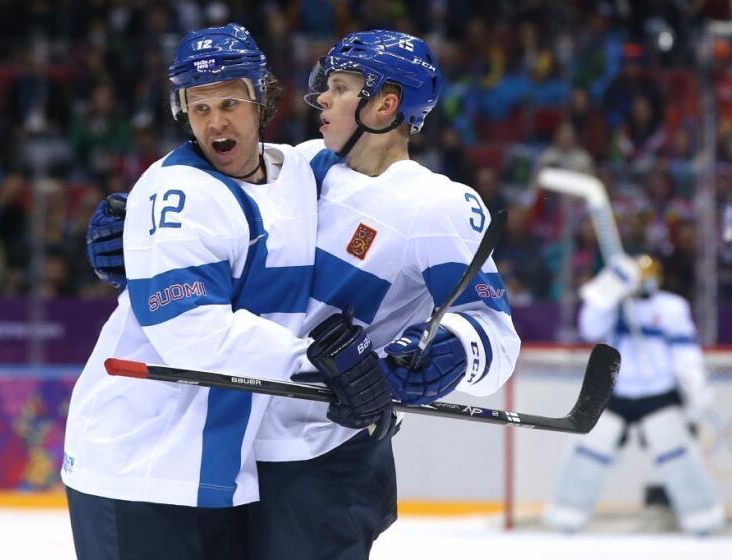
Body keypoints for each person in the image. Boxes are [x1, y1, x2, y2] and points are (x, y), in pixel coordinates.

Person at [87, 29, 521, 559]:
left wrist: (438, 355)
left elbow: (496, 336)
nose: (320, 98)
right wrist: (131, 233)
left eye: (339, 87)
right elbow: (221, 199)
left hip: (328, 453)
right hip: (248, 452)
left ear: (385, 105)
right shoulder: (309, 166)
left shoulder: (438, 206)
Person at [63, 23, 394, 560]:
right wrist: (327, 367)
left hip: (220, 471)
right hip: (136, 466)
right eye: (199, 107)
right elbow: (194, 335)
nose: (215, 121)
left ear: (261, 98)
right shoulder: (177, 192)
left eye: (230, 102)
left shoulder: (300, 171)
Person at [543, 254, 725, 535]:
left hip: (657, 394)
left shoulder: (671, 307)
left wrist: (694, 384)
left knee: (677, 456)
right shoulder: (615, 306)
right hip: (617, 392)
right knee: (588, 453)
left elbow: (684, 350)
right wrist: (608, 288)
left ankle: (703, 517)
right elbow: (588, 327)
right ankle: (567, 514)